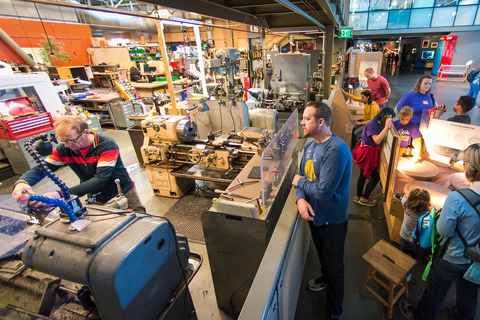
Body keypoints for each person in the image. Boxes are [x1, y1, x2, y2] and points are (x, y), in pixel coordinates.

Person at [400, 143, 480, 320]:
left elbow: (444, 230)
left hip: (452, 256)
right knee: (468, 294)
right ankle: (462, 315)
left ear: (469, 167)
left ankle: (421, 316)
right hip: (476, 261)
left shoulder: (458, 197)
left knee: (436, 291)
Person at [12, 115, 145, 212]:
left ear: (85, 132)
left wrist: (60, 194)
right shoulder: (65, 149)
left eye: (71, 140)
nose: (67, 145)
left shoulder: (106, 145)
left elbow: (100, 179)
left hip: (121, 191)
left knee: (139, 222)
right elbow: (42, 169)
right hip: (94, 195)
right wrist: (22, 182)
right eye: (62, 140)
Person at [293, 101, 352, 320]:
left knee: (335, 267)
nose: (302, 122)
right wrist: (300, 200)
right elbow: (301, 175)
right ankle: (324, 278)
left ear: (320, 122)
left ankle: (334, 311)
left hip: (332, 221)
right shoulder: (310, 145)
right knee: (323, 257)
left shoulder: (335, 150)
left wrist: (299, 184)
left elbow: (323, 191)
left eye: (306, 119)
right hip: (315, 215)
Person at [353, 107, 395, 206]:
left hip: (366, 151)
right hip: (368, 153)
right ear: (385, 117)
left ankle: (358, 196)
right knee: (375, 177)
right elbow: (376, 140)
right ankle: (365, 198)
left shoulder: (375, 123)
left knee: (362, 175)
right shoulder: (373, 124)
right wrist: (386, 127)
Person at [399, 188, 432, 259]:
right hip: (416, 242)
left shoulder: (407, 206)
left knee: (402, 253)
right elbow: (433, 208)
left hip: (404, 238)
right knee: (413, 257)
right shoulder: (426, 215)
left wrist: (413, 195)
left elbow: (405, 196)